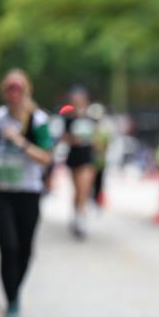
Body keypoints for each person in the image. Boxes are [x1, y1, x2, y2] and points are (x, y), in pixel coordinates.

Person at [0, 69, 53, 317]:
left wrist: (20, 142)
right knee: (8, 247)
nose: (14, 93)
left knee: (25, 249)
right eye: (9, 88)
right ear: (4, 92)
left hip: (28, 191)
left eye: (18, 88)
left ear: (26, 91)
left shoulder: (38, 120)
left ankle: (14, 290)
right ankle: (12, 300)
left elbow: (46, 157)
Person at [61, 86, 98, 238]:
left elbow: (98, 136)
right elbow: (65, 138)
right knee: (77, 190)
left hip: (87, 157)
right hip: (74, 157)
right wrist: (73, 140)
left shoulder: (92, 118)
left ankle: (81, 218)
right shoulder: (68, 119)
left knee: (85, 188)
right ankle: (76, 214)